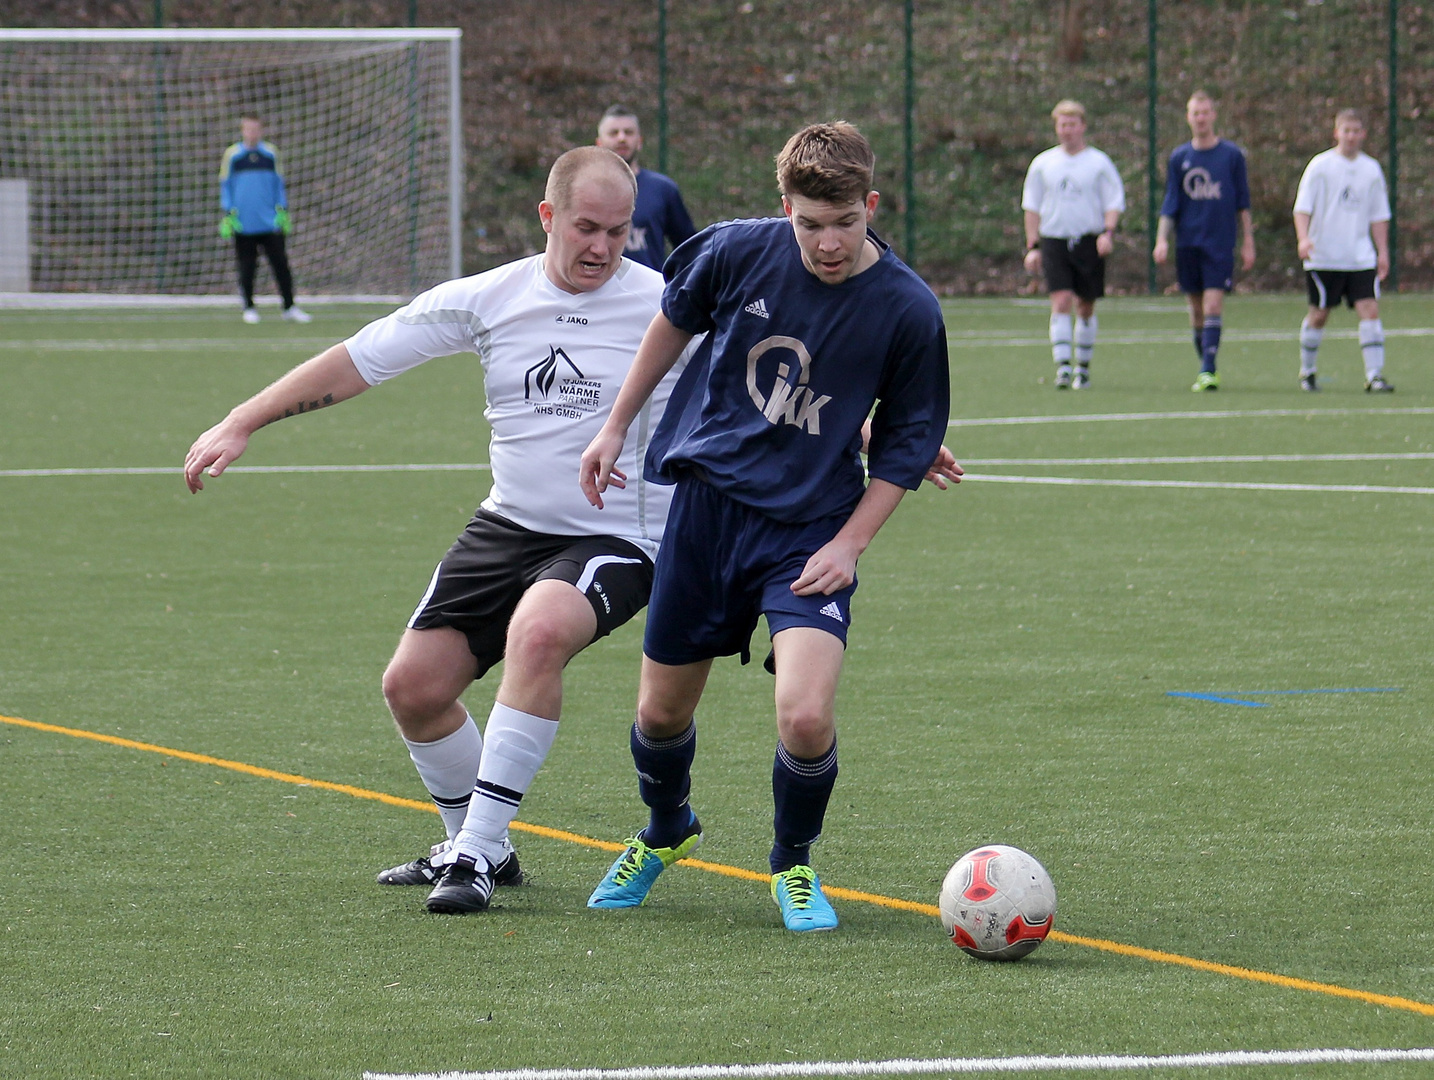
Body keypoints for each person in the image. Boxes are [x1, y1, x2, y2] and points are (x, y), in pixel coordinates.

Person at [185, 146, 695, 915]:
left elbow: (767, 376)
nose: (602, 248)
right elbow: (361, 359)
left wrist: (867, 430)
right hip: (508, 523)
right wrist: (244, 418)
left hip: (617, 537)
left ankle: (476, 853)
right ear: (548, 217)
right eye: (586, 228)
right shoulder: (489, 297)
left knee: (539, 630)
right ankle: (476, 841)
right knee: (414, 689)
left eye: (620, 232)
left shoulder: (666, 304)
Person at [578, 121, 960, 933]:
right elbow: (669, 326)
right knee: (659, 716)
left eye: (846, 222)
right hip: (709, 513)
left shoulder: (907, 308)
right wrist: (616, 425)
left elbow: (905, 443)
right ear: (783, 205)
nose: (827, 242)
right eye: (809, 223)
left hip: (810, 531)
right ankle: (667, 827)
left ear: (872, 206)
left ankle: (792, 861)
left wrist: (849, 544)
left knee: (807, 715)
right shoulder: (733, 252)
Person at [1152, 91, 1255, 392]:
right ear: (1188, 117)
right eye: (1195, 113)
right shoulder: (1179, 158)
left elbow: (1243, 203)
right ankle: (1205, 365)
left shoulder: (1231, 156)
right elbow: (1171, 202)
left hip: (1219, 243)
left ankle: (1208, 368)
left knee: (1213, 304)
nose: (1200, 118)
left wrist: (1248, 241)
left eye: (1205, 112)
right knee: (1196, 309)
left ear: (1213, 115)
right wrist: (1162, 239)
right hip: (1188, 243)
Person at [1021, 100, 1126, 390]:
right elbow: (1031, 207)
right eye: (1062, 124)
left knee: (1085, 305)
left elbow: (1114, 201)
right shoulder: (1043, 163)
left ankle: (1084, 368)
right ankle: (1064, 368)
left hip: (1089, 242)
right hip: (1054, 240)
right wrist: (1033, 246)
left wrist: (1108, 233)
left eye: (1072, 124)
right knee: (1061, 300)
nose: (1067, 130)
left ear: (1083, 126)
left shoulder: (1099, 163)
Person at [1292, 109, 1394, 393]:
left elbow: (1378, 215)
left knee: (1370, 310)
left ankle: (1374, 376)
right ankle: (1307, 372)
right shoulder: (1320, 166)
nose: (1351, 136)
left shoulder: (1371, 169)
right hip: (1323, 256)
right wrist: (1303, 239)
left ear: (1363, 134)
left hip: (1360, 256)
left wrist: (1382, 252)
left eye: (1356, 131)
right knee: (1319, 314)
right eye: (1345, 131)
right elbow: (1302, 208)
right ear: (1336, 133)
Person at [219, 112, 311, 325]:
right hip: (243, 222)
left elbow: (278, 184)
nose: (252, 133)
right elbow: (226, 185)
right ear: (243, 131)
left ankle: (289, 307)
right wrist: (228, 213)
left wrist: (283, 211)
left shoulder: (270, 154)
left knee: (281, 265)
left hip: (269, 222)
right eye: (248, 129)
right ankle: (249, 307)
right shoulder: (233, 155)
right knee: (247, 267)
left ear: (261, 130)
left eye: (255, 129)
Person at [595, 105, 697, 272]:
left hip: (650, 295)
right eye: (613, 133)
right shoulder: (585, 191)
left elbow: (691, 249)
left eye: (628, 132)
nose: (621, 138)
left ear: (639, 141)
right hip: (597, 293)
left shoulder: (663, 189)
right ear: (599, 143)